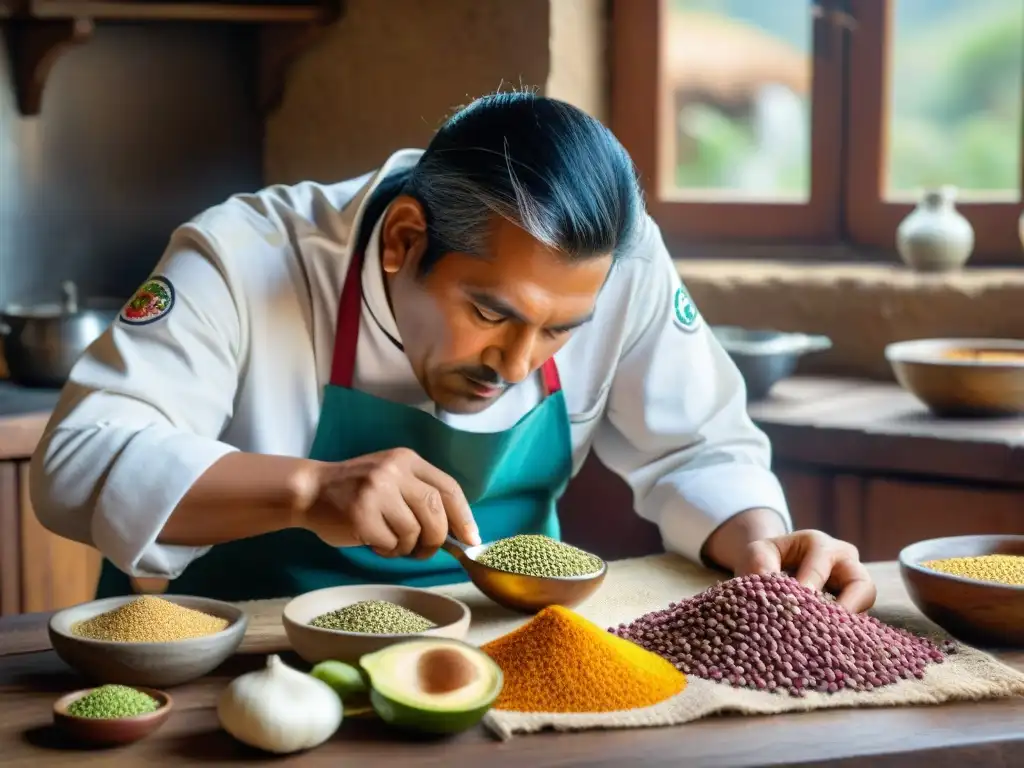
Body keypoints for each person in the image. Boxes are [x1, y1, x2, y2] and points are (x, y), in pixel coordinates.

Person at [30, 92, 876, 612]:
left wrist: (766, 544)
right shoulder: (247, 257)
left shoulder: (623, 264)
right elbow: (75, 461)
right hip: (248, 675)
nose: (515, 364)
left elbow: (701, 447)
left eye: (559, 332)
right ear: (402, 242)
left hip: (503, 660)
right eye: (489, 312)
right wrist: (308, 488)